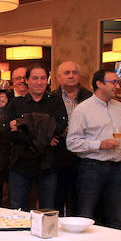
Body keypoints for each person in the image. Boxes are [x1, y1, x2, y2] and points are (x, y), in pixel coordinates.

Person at [65, 70, 121, 228]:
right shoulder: (82, 110)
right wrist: (99, 144)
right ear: (99, 84)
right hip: (92, 168)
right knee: (86, 215)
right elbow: (72, 143)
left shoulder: (119, 107)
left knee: (116, 216)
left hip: (117, 168)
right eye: (113, 82)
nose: (117, 86)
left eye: (117, 82)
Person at [5, 64, 68, 210]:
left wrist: (24, 124)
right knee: (18, 210)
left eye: (43, 78)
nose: (39, 82)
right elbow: (8, 133)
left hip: (48, 165)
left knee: (48, 210)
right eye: (34, 78)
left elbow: (60, 126)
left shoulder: (56, 101)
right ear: (26, 80)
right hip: (21, 164)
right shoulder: (16, 103)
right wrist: (46, 136)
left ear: (47, 80)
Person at [51, 61, 92, 216]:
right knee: (57, 198)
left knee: (80, 200)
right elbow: (47, 123)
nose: (71, 76)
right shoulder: (51, 98)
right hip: (59, 155)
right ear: (59, 77)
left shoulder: (90, 97)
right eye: (67, 73)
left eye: (74, 72)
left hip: (84, 156)